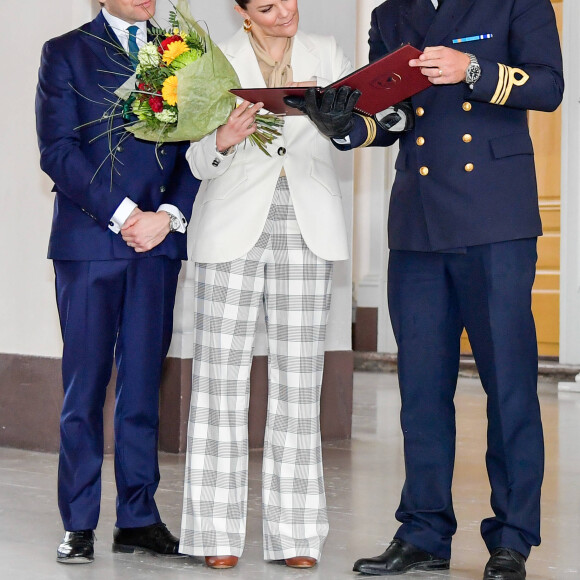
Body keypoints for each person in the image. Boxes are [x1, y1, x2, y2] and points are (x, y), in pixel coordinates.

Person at [290, 0, 564, 578]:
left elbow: (548, 86)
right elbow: (394, 119)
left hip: (495, 220)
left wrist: (473, 70)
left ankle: (512, 537)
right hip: (417, 223)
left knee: (508, 384)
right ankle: (423, 531)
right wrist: (346, 124)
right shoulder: (392, 14)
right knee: (420, 388)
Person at [178, 0, 351, 570]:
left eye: (290, 0)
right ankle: (214, 533)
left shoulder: (327, 54)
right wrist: (224, 139)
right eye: (268, 6)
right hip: (230, 229)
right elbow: (195, 160)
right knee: (218, 383)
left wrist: (340, 122)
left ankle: (297, 535)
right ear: (242, 10)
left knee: (300, 383)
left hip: (309, 225)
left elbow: (355, 135)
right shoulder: (212, 60)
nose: (285, 13)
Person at [35, 0, 198, 565]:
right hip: (89, 244)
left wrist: (169, 216)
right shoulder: (65, 52)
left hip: (157, 245)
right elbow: (57, 151)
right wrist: (124, 213)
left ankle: (139, 517)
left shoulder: (184, 50)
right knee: (85, 388)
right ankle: (78, 521)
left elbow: (192, 150)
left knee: (143, 384)